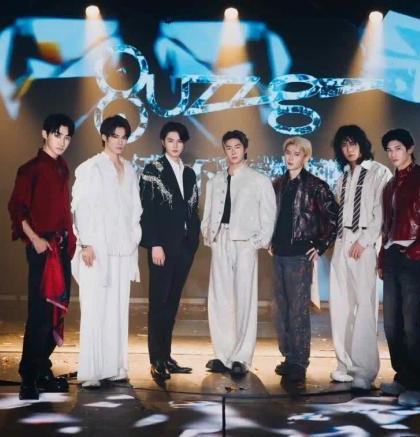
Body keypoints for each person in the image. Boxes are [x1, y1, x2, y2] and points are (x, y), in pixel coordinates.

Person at [8, 113, 76, 400]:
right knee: (39, 314)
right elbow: (16, 208)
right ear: (44, 134)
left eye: (67, 137)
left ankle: (42, 369)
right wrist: (35, 240)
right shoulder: (30, 169)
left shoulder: (63, 167)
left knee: (57, 310)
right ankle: (28, 378)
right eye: (57, 135)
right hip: (42, 248)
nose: (62, 141)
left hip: (61, 247)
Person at [71, 115, 142, 387]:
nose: (120, 142)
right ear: (104, 137)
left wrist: (133, 240)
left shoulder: (130, 169)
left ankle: (115, 367)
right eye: (115, 136)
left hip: (122, 250)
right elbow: (81, 206)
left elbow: (135, 210)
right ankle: (91, 372)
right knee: (94, 308)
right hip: (97, 248)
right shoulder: (91, 168)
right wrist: (85, 243)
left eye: (124, 137)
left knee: (118, 309)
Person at [378, 128, 420, 407]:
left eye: (397, 148)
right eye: (389, 150)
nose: (393, 154)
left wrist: (417, 251)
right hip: (392, 254)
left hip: (412, 255)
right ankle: (403, 376)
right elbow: (387, 226)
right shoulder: (390, 185)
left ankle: (419, 384)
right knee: (391, 323)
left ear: (410, 148)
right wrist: (382, 257)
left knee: (410, 321)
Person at [202, 130, 276, 377]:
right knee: (220, 299)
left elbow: (268, 216)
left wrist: (257, 242)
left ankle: (241, 357)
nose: (233, 152)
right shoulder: (215, 181)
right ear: (224, 150)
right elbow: (208, 213)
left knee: (244, 299)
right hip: (220, 240)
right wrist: (209, 236)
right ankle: (223, 355)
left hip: (245, 242)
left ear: (245, 149)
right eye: (228, 147)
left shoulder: (258, 180)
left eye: (237, 147)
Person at [328, 125, 392, 390]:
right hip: (342, 241)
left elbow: (381, 211)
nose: (349, 149)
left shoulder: (379, 172)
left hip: (363, 243)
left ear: (362, 144)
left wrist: (365, 241)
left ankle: (364, 371)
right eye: (344, 144)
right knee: (340, 306)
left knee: (365, 306)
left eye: (353, 143)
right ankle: (344, 364)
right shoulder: (343, 175)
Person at [270, 137, 338, 382]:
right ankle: (289, 357)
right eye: (288, 152)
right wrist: (268, 239)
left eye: (296, 154)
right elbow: (269, 215)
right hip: (278, 253)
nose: (291, 158)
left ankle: (299, 361)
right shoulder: (278, 184)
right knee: (281, 310)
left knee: (298, 310)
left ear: (306, 157)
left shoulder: (316, 186)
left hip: (299, 256)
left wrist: (320, 246)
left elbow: (334, 218)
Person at [139, 121, 200, 381]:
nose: (175, 145)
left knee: (172, 304)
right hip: (161, 248)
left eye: (180, 141)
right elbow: (146, 210)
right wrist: (154, 243)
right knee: (159, 304)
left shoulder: (189, 173)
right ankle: (156, 360)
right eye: (171, 140)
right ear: (163, 142)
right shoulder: (153, 170)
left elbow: (193, 209)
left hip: (184, 247)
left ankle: (167, 356)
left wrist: (193, 241)